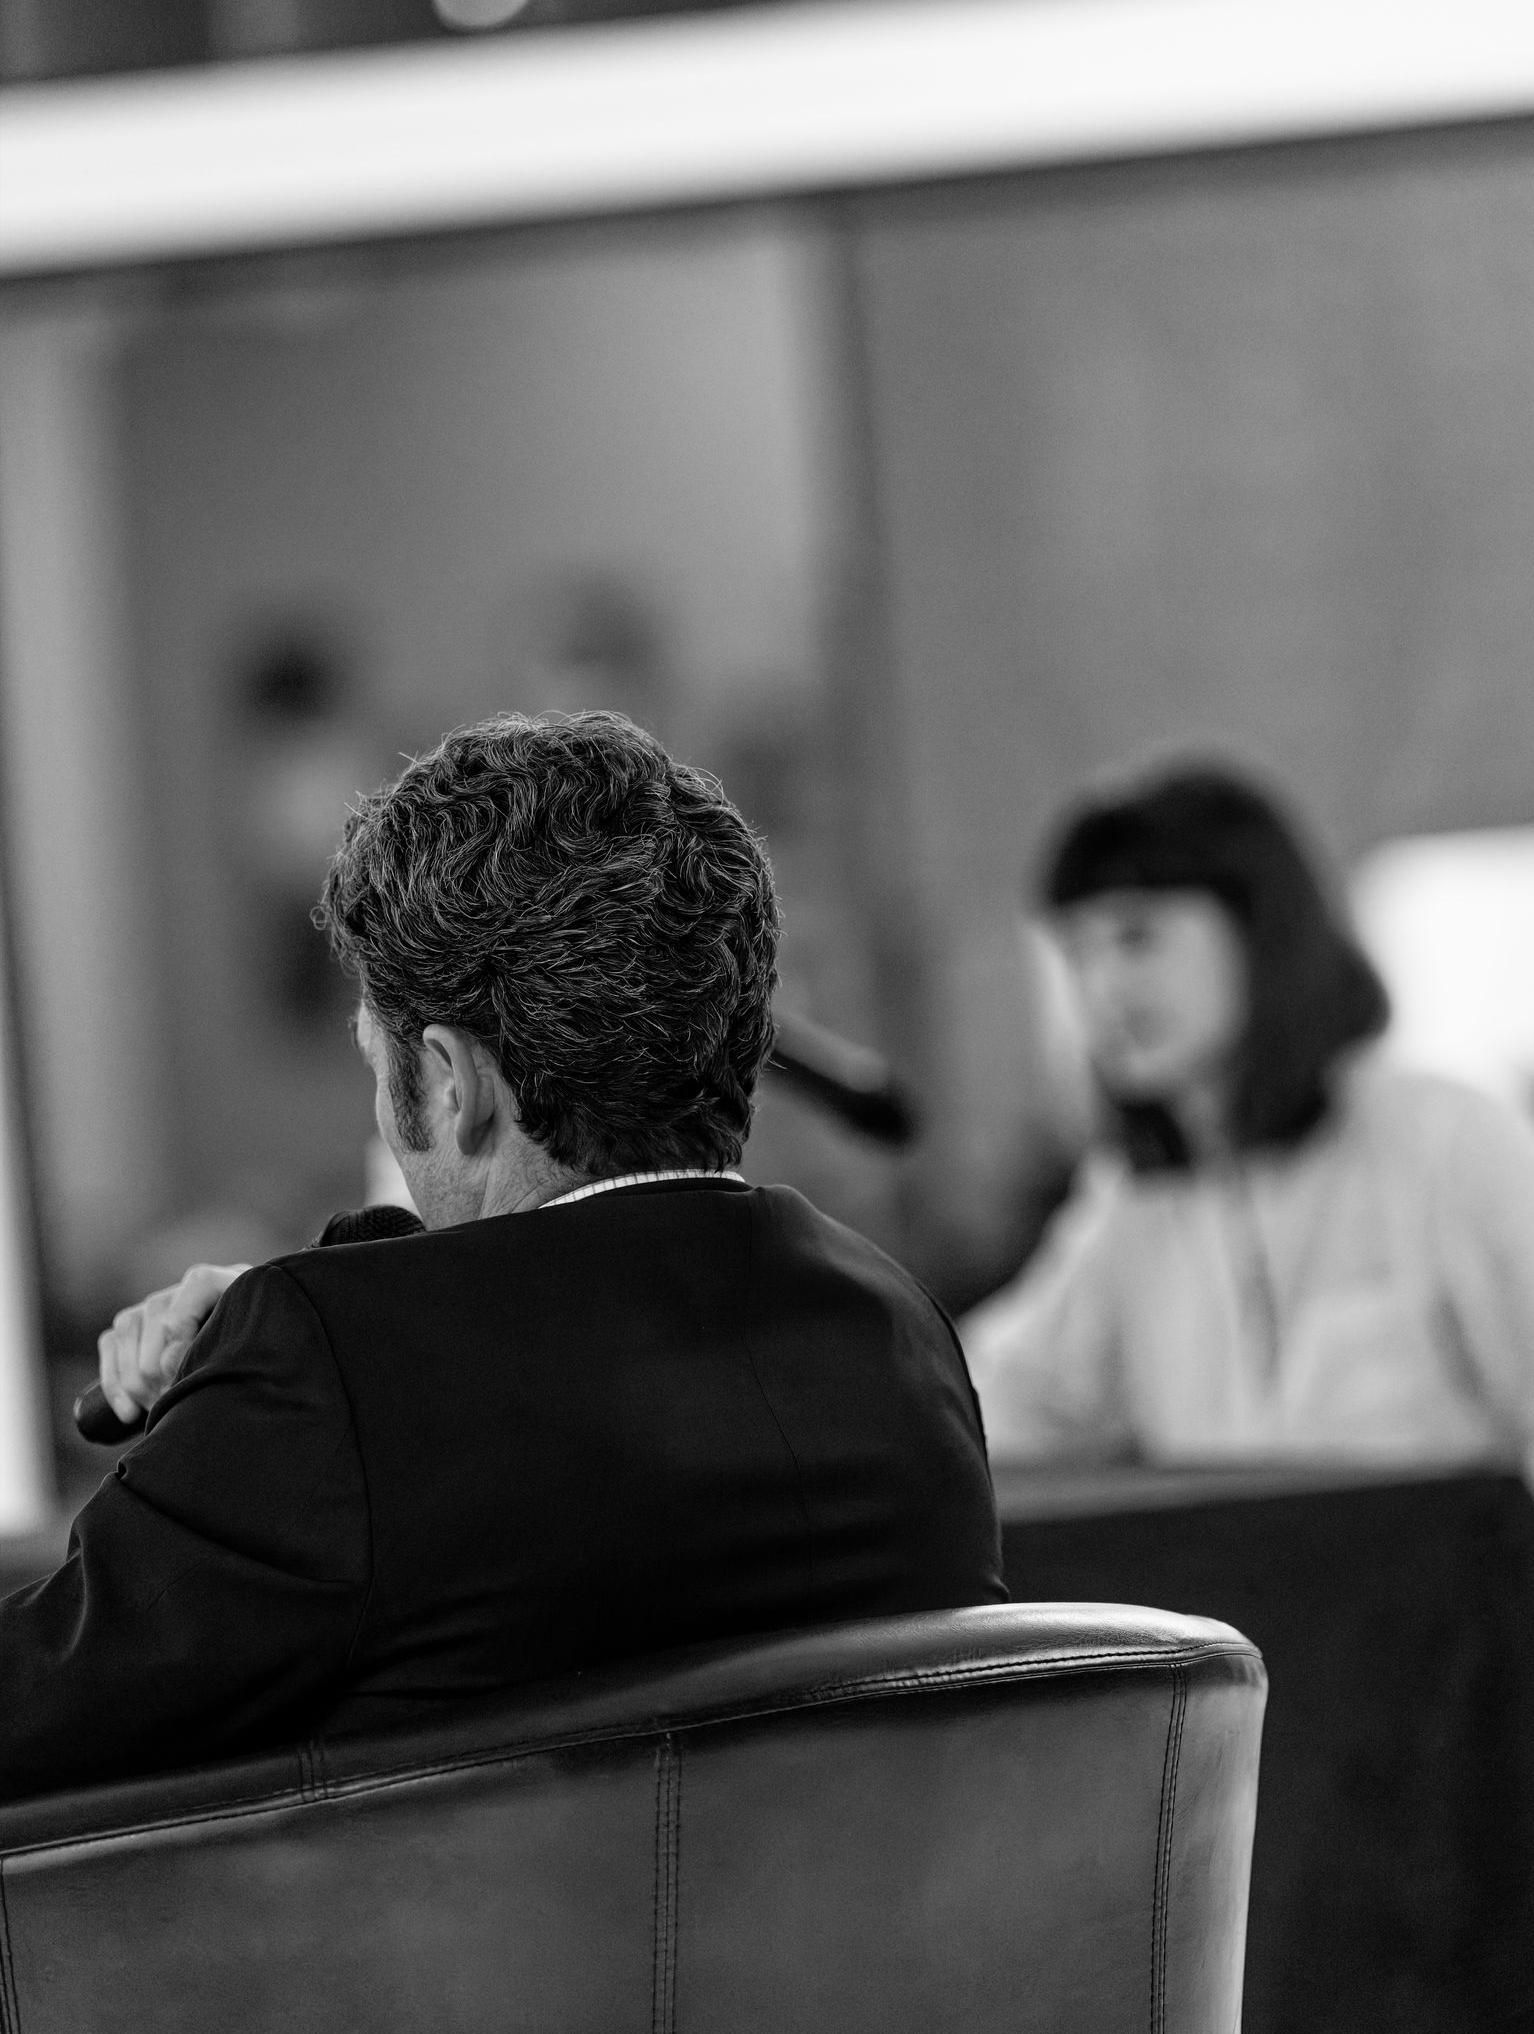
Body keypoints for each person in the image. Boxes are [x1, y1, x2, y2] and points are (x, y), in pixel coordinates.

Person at [0, 713, 1003, 1802]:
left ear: (449, 1081)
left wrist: (262, 1374)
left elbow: (31, 1707)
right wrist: (285, 1339)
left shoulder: (331, 1385)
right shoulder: (898, 1336)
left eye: (373, 1061)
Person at [960, 762, 1534, 1559]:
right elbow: (1000, 1402)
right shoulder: (1135, 1201)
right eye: (1078, 952)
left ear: (1261, 929)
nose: (1103, 989)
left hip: (1466, 1653)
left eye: (1137, 937)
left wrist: (1514, 1578)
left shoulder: (1449, 1137)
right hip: (1272, 1655)